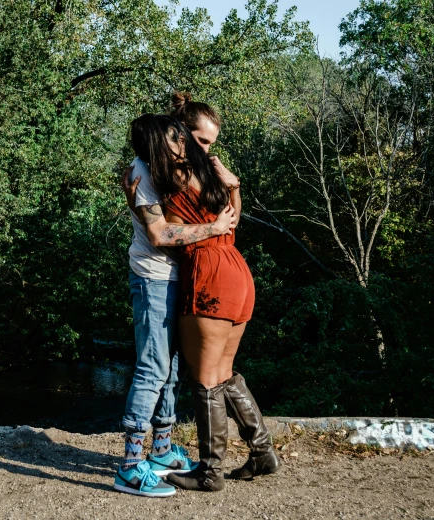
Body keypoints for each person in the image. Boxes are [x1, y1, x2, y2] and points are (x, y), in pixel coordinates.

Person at [126, 105, 280, 494]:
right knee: (224, 371)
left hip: (209, 273)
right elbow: (232, 220)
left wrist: (138, 201)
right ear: (178, 134)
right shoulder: (211, 174)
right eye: (198, 140)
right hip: (237, 269)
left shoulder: (168, 173)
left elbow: (163, 233)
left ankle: (210, 472)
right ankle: (262, 451)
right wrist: (235, 186)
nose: (204, 149)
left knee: (206, 379)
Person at [113, 106, 239, 497]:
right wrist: (214, 228)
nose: (185, 146)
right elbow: (159, 235)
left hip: (179, 277)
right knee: (152, 367)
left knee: (171, 368)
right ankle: (130, 466)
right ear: (159, 143)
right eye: (179, 140)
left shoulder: (166, 169)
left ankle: (162, 451)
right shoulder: (141, 173)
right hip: (153, 280)